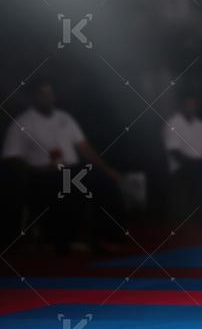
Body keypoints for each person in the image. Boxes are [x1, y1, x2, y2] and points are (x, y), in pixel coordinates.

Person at [1, 79, 122, 255]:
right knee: (67, 183)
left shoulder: (65, 118)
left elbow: (85, 149)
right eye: (43, 94)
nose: (48, 97)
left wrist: (108, 170)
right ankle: (65, 239)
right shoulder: (22, 123)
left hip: (73, 171)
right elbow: (12, 159)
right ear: (34, 98)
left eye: (50, 93)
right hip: (43, 176)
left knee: (103, 181)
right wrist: (41, 170)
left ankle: (108, 236)